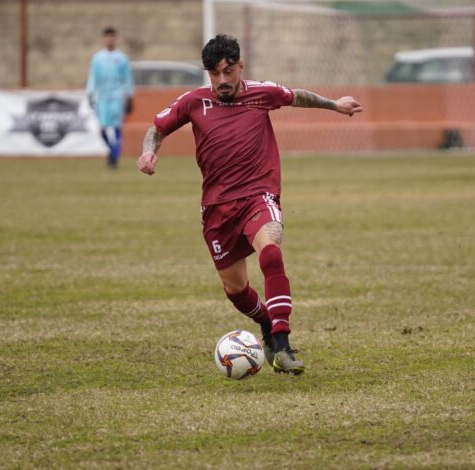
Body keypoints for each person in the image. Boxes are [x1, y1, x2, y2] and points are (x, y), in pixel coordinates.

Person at [137, 34, 363, 375]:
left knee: (270, 252)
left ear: (240, 66)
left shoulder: (261, 93)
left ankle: (283, 347)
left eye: (229, 71)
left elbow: (296, 96)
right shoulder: (194, 101)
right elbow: (157, 128)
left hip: (259, 196)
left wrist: (334, 104)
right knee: (236, 289)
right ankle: (267, 324)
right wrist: (148, 150)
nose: (222, 80)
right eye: (214, 73)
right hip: (216, 208)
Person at [86, 26, 134, 169]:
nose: (109, 39)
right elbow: (93, 77)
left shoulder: (122, 58)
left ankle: (114, 157)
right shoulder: (97, 58)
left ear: (115, 38)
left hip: (117, 97)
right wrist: (90, 93)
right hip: (102, 98)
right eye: (107, 37)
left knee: (117, 127)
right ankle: (112, 150)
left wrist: (130, 96)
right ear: (104, 39)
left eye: (112, 36)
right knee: (102, 129)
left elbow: (127, 79)